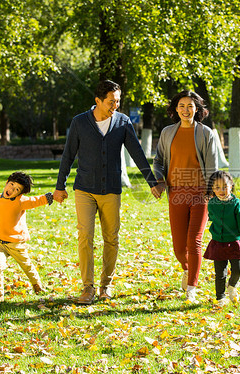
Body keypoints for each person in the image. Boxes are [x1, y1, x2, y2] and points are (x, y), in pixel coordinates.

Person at [53, 80, 162, 304]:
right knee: (85, 237)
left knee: (111, 238)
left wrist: (151, 181)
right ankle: (87, 287)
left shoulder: (122, 122)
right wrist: (59, 185)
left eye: (118, 101)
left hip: (111, 189)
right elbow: (68, 155)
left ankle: (106, 286)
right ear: (98, 101)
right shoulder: (80, 122)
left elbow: (136, 152)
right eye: (111, 101)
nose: (116, 105)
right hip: (85, 189)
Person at [153, 90, 218, 303]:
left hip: (201, 194)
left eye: (190, 106)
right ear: (175, 109)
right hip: (176, 194)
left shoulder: (206, 133)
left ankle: (192, 287)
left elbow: (212, 166)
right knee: (179, 248)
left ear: (197, 109)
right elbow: (159, 160)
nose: (185, 110)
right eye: (181, 105)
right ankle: (188, 269)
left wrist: (211, 194)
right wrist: (159, 180)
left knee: (194, 242)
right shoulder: (167, 132)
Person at [0, 171, 54, 304]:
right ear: (6, 183)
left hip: (16, 243)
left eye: (17, 189)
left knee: (26, 265)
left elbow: (35, 201)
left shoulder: (21, 202)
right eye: (11, 185)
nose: (12, 190)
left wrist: (50, 197)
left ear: (20, 193)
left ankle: (37, 285)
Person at [203, 170, 240, 306]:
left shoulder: (237, 204)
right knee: (220, 273)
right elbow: (212, 219)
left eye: (225, 186)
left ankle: (231, 285)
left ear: (231, 185)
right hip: (218, 243)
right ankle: (220, 298)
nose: (221, 190)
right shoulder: (212, 203)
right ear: (212, 189)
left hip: (235, 243)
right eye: (217, 187)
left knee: (238, 270)